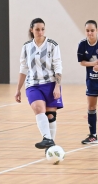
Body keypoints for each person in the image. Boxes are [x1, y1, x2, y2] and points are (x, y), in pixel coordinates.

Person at [14, 18, 63, 151]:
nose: (40, 32)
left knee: (51, 116)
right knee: (38, 108)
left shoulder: (53, 45)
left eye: (42, 29)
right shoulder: (26, 47)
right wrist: (18, 89)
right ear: (32, 30)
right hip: (33, 84)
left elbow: (58, 66)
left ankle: (50, 146)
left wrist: (57, 86)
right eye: (37, 29)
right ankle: (47, 138)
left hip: (51, 83)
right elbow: (23, 68)